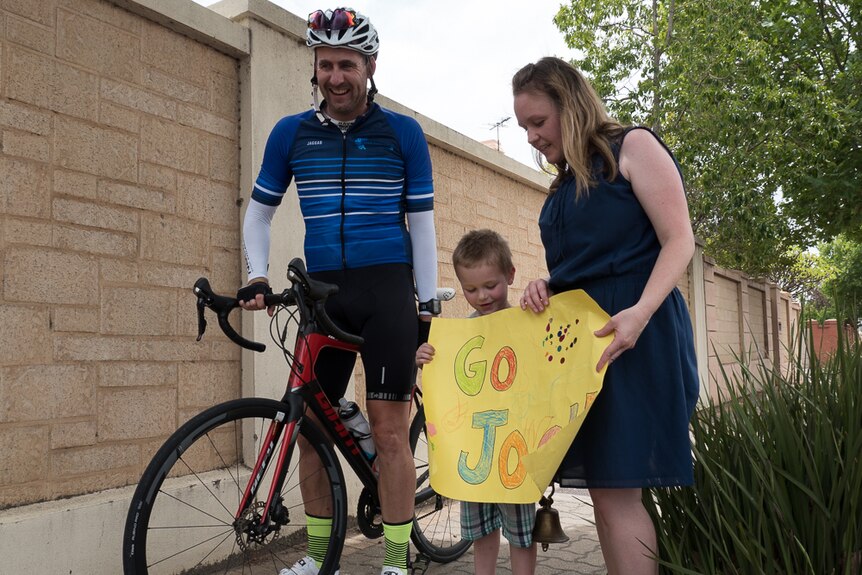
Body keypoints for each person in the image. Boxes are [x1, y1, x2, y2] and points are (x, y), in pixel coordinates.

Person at [237, 8, 441, 575]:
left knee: (390, 431)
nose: (335, 76)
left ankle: (396, 559)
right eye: (325, 64)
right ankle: (318, 553)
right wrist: (257, 275)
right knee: (311, 430)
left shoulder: (402, 134)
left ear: (369, 66)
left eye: (346, 64)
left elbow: (422, 225)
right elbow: (257, 216)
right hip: (323, 293)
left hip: (386, 291)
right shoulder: (290, 134)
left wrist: (426, 306)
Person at [512, 57, 699, 575]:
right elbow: (579, 268)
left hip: (637, 336)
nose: (530, 136)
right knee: (605, 492)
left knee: (618, 494)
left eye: (538, 122)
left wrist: (639, 313)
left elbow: (679, 240)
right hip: (584, 348)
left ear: (569, 106)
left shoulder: (632, 147)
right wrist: (546, 283)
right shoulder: (563, 183)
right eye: (524, 125)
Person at [416, 229, 538, 575]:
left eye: (490, 286)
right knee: (481, 532)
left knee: (521, 535)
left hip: (515, 454)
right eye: (470, 289)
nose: (481, 296)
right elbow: (449, 380)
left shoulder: (526, 325)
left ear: (510, 275)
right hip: (476, 457)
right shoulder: (460, 337)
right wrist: (426, 357)